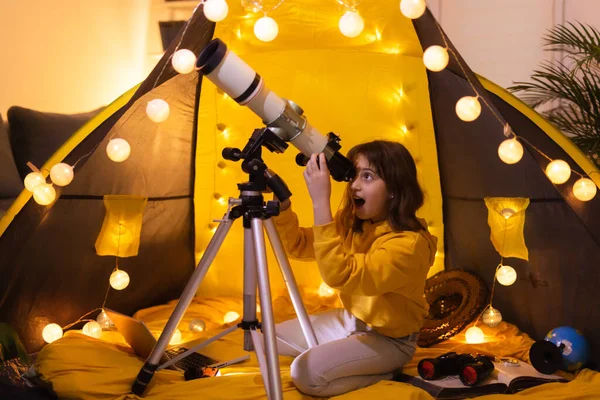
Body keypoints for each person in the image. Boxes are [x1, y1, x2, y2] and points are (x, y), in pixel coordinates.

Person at [271, 140, 438, 397]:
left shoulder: (409, 245)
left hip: (390, 341)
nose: (355, 186)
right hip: (352, 321)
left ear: (394, 188)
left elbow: (342, 275)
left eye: (368, 176)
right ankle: (351, 354)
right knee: (268, 339)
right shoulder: (354, 222)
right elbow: (299, 245)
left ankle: (382, 372)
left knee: (304, 373)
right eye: (354, 176)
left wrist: (320, 203)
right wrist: (282, 207)